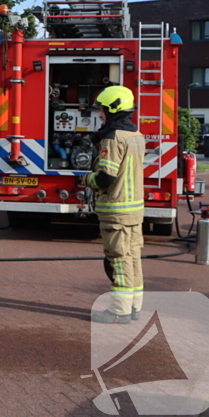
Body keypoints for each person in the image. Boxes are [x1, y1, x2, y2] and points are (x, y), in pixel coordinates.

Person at [80, 86, 146, 324]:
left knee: (118, 260)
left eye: (102, 110)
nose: (100, 114)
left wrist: (85, 179)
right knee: (133, 259)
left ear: (113, 110)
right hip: (134, 210)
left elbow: (106, 178)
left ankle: (118, 311)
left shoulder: (113, 137)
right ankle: (134, 307)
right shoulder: (136, 135)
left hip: (116, 211)